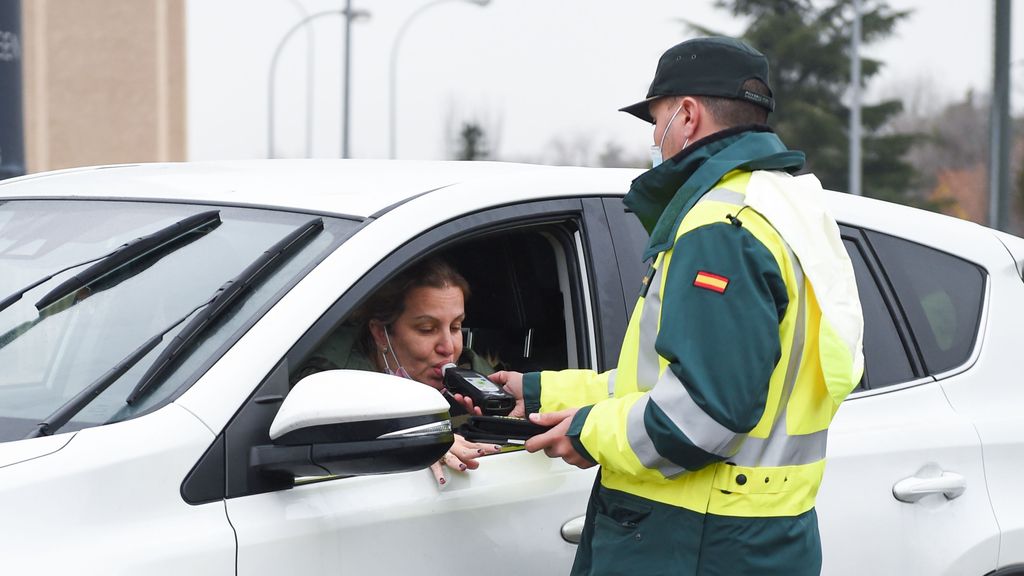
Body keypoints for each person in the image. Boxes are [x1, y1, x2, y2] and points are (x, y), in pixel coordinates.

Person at [490, 37, 864, 575]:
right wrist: (538, 392)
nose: (654, 139)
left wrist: (586, 432)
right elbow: (664, 383)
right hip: (756, 532)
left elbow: (703, 416)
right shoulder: (786, 206)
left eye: (656, 120)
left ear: (686, 116)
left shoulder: (721, 226)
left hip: (693, 537)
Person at [296, 257, 502, 487]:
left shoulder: (478, 377)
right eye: (427, 329)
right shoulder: (329, 383)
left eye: (455, 327)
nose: (448, 347)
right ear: (381, 334)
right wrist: (419, 443)